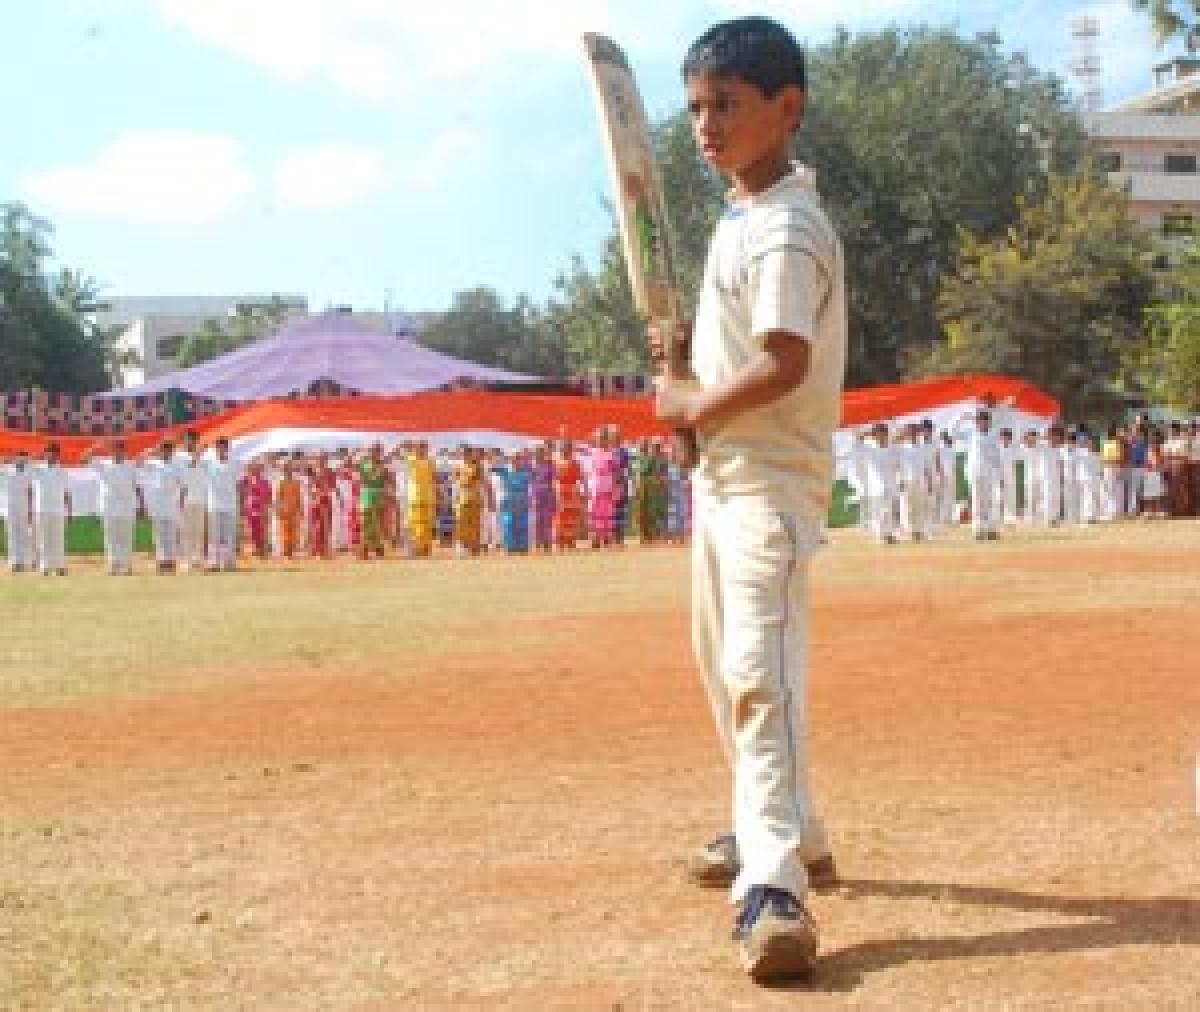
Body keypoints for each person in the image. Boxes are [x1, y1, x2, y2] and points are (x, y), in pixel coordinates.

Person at [652, 17, 844, 981]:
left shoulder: (787, 225)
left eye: (725, 104)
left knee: (756, 672)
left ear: (787, 107)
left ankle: (773, 886)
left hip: (771, 483)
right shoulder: (742, 219)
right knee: (723, 665)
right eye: (694, 108)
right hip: (724, 478)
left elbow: (784, 362)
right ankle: (784, 826)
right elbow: (739, 357)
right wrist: (684, 375)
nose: (705, 124)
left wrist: (692, 399)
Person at [84, 440, 140, 575]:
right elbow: (84, 458)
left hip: (127, 506)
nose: (118, 452)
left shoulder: (131, 465)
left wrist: (139, 505)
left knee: (126, 538)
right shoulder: (104, 464)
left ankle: (126, 566)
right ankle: (113, 566)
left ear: (124, 451)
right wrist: (96, 446)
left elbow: (136, 486)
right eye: (115, 449)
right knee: (110, 538)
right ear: (111, 451)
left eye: (121, 449)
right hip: (109, 507)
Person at [137, 440, 184, 574]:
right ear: (161, 451)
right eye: (164, 450)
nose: (166, 452)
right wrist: (152, 449)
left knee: (171, 534)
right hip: (157, 503)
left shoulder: (177, 466)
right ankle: (161, 561)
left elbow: (183, 485)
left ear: (172, 451)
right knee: (159, 534)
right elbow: (139, 461)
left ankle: (171, 561)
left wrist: (180, 502)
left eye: (168, 450)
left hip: (171, 503)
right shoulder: (153, 463)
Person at [31, 443, 72, 576]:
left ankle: (60, 566)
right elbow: (28, 462)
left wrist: (69, 510)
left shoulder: (62, 471)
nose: (51, 455)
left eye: (54, 452)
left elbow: (66, 492)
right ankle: (45, 566)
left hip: (57, 509)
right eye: (49, 452)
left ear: (58, 455)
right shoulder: (37, 469)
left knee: (58, 539)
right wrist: (40, 455)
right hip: (41, 509)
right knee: (43, 539)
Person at [204, 437, 241, 571]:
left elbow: (238, 482)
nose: (222, 450)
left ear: (228, 448)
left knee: (229, 535)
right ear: (215, 449)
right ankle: (213, 563)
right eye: (219, 447)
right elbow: (193, 465)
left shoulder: (235, 463)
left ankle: (229, 562)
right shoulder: (208, 463)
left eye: (224, 447)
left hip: (230, 504)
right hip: (214, 504)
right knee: (214, 535)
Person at [861, 424, 899, 544]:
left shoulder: (892, 449)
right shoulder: (870, 450)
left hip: (890, 484)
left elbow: (897, 465)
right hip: (877, 486)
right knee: (881, 510)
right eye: (878, 434)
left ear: (886, 435)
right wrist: (869, 433)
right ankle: (885, 534)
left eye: (882, 433)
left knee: (888, 509)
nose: (880, 436)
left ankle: (887, 534)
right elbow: (858, 440)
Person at [0, 451, 35, 573]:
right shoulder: (6, 470)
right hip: (9, 507)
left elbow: (31, 491)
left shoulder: (29, 472)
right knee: (12, 535)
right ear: (15, 459)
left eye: (24, 460)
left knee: (24, 535)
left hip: (24, 506)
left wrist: (31, 508)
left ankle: (25, 561)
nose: (22, 461)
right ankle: (14, 562)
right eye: (19, 459)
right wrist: (4, 460)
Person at [177, 444, 209, 572]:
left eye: (199, 453)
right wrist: (181, 501)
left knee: (199, 531)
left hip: (200, 502)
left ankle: (198, 559)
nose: (197, 455)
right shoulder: (185, 467)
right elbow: (183, 486)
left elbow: (206, 486)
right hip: (188, 503)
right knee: (187, 532)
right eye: (195, 453)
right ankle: (187, 560)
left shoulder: (204, 467)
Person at [552, 440, 585, 550]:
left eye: (568, 448)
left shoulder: (575, 463)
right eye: (563, 448)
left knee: (571, 516)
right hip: (561, 491)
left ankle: (570, 541)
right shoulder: (556, 462)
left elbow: (581, 477)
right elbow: (553, 478)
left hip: (572, 491)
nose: (565, 450)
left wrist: (585, 489)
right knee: (560, 516)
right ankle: (560, 541)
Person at [407, 441, 436, 558]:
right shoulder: (428, 461)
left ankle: (422, 547)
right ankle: (423, 547)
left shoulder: (414, 460)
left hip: (420, 497)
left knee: (421, 524)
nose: (421, 450)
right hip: (420, 496)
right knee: (420, 524)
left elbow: (433, 478)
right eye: (421, 447)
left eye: (422, 447)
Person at [240, 459, 273, 560]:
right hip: (250, 509)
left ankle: (262, 551)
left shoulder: (265, 482)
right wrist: (242, 506)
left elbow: (268, 496)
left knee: (261, 530)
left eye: (258, 468)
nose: (256, 470)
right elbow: (241, 491)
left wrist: (268, 508)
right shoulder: (246, 480)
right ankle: (254, 550)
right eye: (254, 468)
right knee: (251, 530)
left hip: (261, 508)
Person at [529, 444, 556, 552]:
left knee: (547, 519)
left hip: (547, 493)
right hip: (537, 493)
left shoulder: (549, 465)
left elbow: (553, 482)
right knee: (538, 519)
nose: (539, 454)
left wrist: (553, 495)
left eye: (541, 452)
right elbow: (531, 482)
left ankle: (547, 542)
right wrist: (531, 496)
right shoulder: (533, 467)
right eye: (537, 452)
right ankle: (538, 542)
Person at [275, 461, 304, 559]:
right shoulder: (281, 482)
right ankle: (286, 552)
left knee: (295, 531)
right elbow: (278, 497)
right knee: (284, 531)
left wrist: (300, 509)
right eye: (286, 469)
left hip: (294, 509)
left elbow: (299, 496)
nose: (288, 470)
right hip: (285, 510)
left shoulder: (296, 482)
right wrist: (279, 509)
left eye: (290, 468)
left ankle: (292, 552)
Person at [1100, 425, 1125, 522]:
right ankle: (1112, 512)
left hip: (1112, 468)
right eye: (1117, 432)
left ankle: (1113, 512)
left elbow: (1119, 457)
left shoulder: (1112, 443)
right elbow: (1105, 458)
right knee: (1111, 490)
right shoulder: (1114, 443)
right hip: (1111, 468)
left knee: (1113, 490)